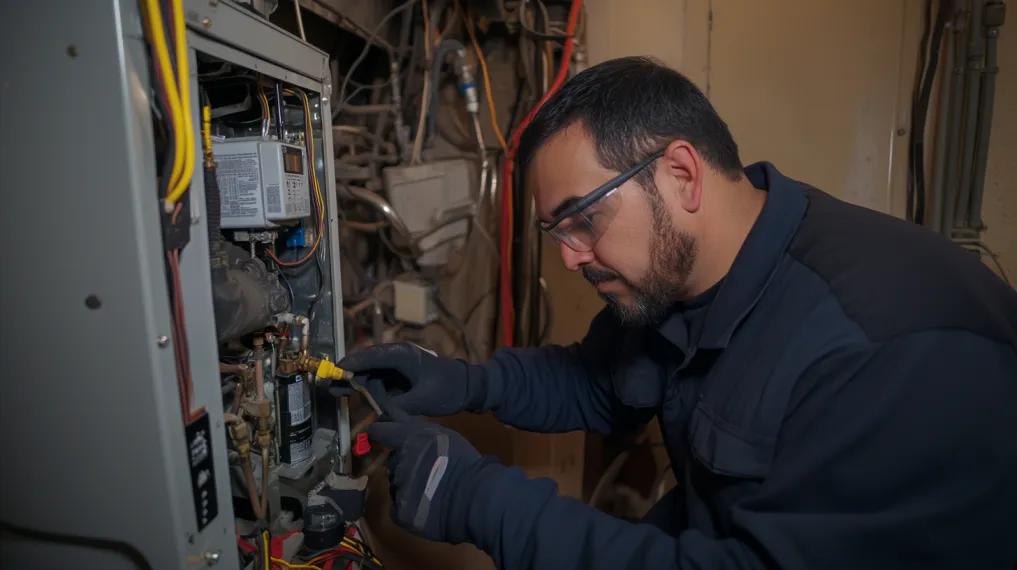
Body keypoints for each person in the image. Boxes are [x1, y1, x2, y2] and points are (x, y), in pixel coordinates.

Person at [341, 56, 1017, 569]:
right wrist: (463, 383)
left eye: (582, 219)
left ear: (682, 175)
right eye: (557, 234)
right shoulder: (680, 283)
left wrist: (479, 501)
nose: (572, 259)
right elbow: (599, 383)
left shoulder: (885, 344)